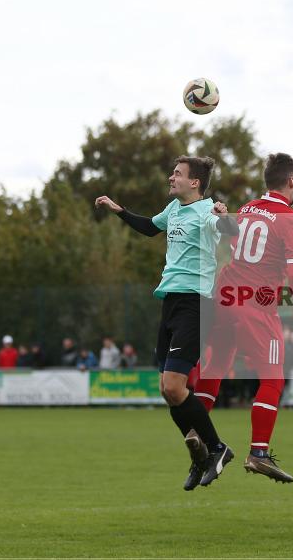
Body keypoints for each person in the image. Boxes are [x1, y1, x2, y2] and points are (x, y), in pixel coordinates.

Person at [96, 154, 239, 491]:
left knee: (175, 387)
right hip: (171, 302)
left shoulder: (207, 212)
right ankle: (201, 454)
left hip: (196, 304)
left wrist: (225, 215)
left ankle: (217, 448)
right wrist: (120, 211)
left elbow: (230, 231)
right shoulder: (173, 209)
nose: (171, 177)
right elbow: (150, 228)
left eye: (177, 173)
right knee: (168, 390)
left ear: (195, 183)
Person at [201, 152, 293, 484]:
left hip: (224, 295)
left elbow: (235, 244)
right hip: (255, 305)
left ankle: (196, 434)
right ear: (291, 181)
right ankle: (258, 453)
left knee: (216, 366)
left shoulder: (247, 208)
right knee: (273, 380)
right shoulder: (291, 218)